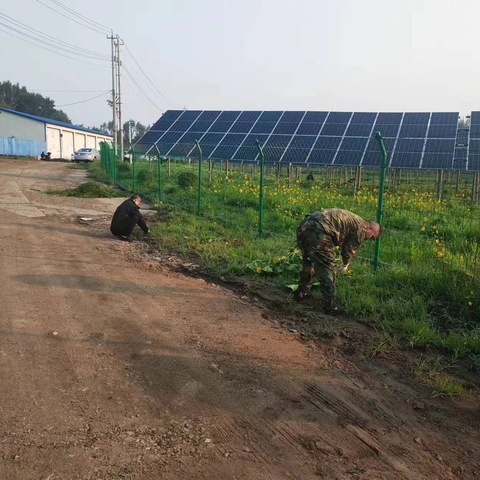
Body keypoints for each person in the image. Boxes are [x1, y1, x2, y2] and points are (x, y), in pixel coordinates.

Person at [295, 208, 381, 314]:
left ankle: (301, 292)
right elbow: (348, 249)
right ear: (369, 228)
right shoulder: (362, 229)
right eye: (372, 237)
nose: (369, 239)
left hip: (304, 225)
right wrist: (345, 264)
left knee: (309, 261)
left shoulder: (356, 221)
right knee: (328, 267)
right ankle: (330, 306)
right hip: (319, 230)